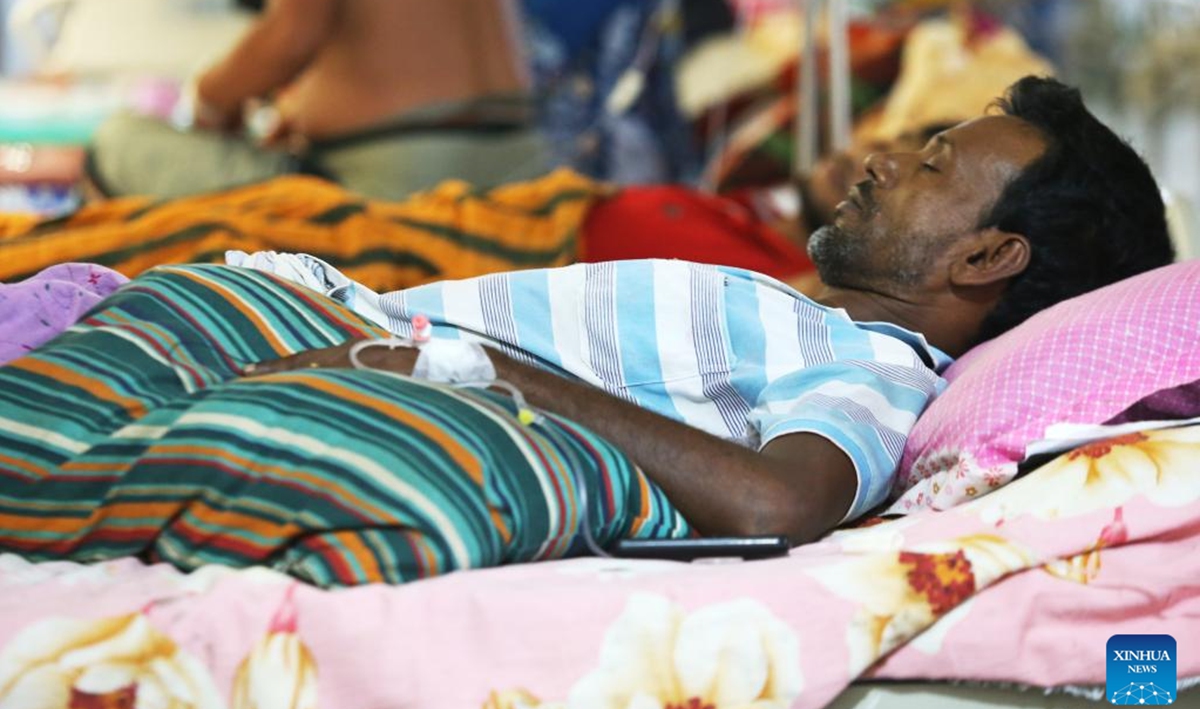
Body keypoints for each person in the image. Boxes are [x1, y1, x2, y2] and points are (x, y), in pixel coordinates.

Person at [242, 76, 1173, 543]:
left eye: (931, 164)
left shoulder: (874, 372)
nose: (881, 161)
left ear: (986, 256)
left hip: (333, 353)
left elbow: (777, 502)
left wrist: (475, 370)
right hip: (304, 319)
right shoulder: (811, 323)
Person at [86, 0, 550, 201]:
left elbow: (293, 34)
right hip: (524, 158)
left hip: (404, 179)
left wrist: (209, 100)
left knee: (119, 143)